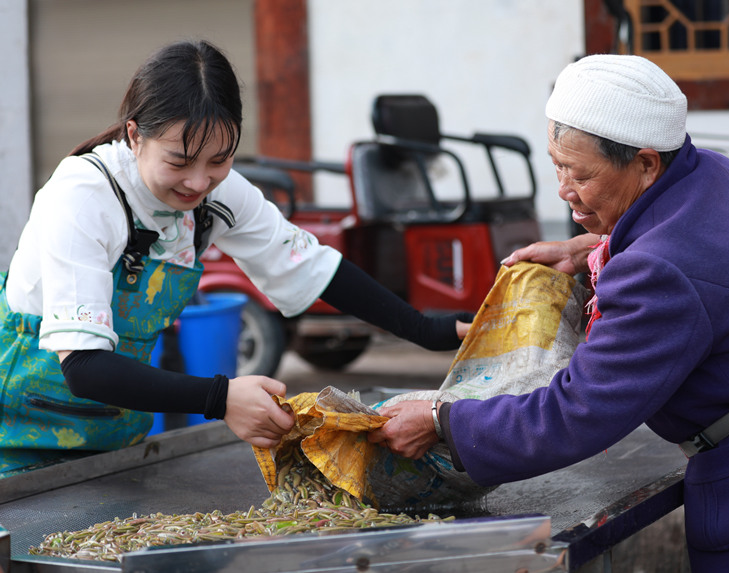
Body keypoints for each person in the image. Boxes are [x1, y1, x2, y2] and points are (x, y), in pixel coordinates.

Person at [368, 54, 729, 572]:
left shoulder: (657, 270)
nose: (564, 189)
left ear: (645, 164)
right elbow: (683, 252)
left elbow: (579, 410)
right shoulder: (711, 173)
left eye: (580, 174)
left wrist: (442, 420)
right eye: (557, 165)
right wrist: (588, 251)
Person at [0, 39, 469, 477]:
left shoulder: (217, 196)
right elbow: (84, 367)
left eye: (219, 160)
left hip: (112, 437)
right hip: (15, 435)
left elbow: (312, 267)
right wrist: (221, 397)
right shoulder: (84, 196)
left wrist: (428, 331)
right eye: (179, 161)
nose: (198, 182)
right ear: (134, 135)